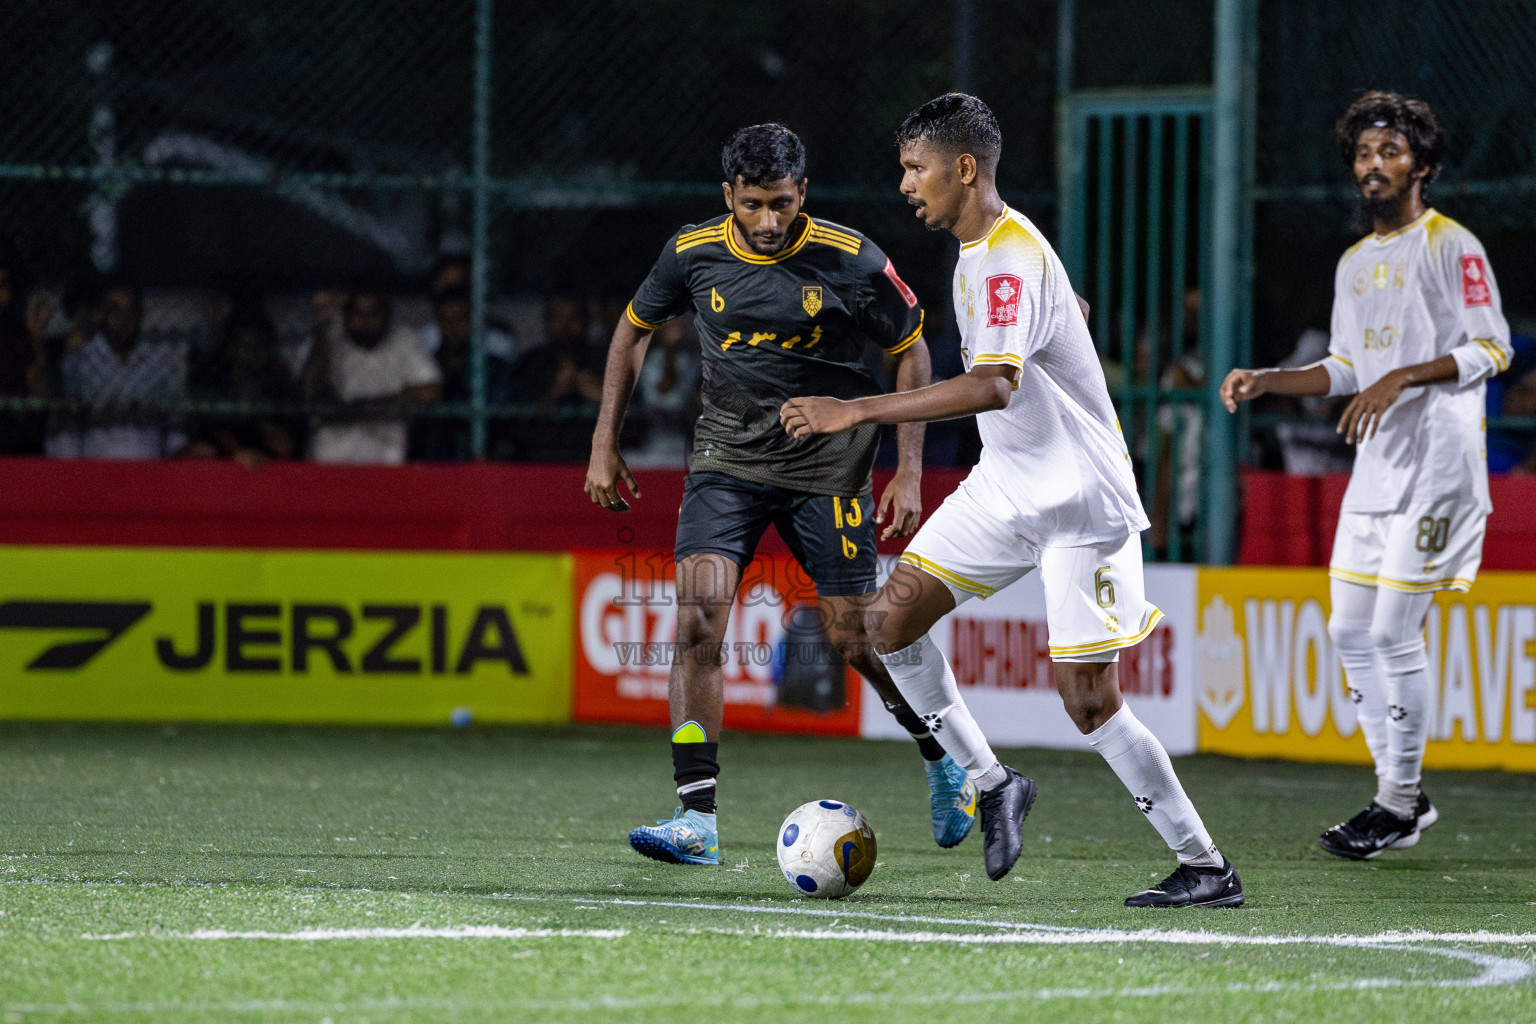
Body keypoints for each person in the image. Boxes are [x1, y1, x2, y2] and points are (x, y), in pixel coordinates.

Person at [782, 94, 1242, 907]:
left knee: (1089, 700)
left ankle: (1204, 864)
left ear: (965, 169)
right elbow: (1045, 325)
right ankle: (993, 782)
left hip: (1079, 500)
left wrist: (855, 411)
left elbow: (994, 383)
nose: (904, 185)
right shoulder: (986, 249)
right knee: (888, 622)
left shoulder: (1004, 256)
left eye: (916, 168)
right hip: (1007, 485)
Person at [585, 123, 975, 867]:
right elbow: (631, 332)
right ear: (728, 195)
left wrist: (909, 468)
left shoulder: (851, 258)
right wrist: (606, 441)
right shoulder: (693, 252)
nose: (769, 223)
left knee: (853, 637)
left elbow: (912, 349)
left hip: (828, 469)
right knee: (698, 620)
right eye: (756, 204)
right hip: (726, 461)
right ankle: (696, 818)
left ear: (805, 195)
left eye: (784, 205)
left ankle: (942, 756)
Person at [1221, 92, 1512, 859]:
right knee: (1349, 628)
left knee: (1391, 629)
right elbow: (1347, 367)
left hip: (1441, 468)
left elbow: (1494, 349)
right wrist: (1269, 380)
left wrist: (1403, 379)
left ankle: (1396, 798)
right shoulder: (1355, 262)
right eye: (1363, 154)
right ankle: (1401, 801)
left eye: (1390, 152)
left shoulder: (1453, 246)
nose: (1373, 166)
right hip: (1378, 470)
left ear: (1423, 164)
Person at [50, 281, 190, 459]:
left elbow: (175, 425)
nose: (123, 318)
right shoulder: (79, 361)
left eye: (130, 310)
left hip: (148, 466)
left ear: (140, 315)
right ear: (100, 313)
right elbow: (64, 426)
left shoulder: (160, 360)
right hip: (96, 466)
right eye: (113, 309)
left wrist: (181, 451)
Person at [304, 289, 442, 465]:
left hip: (384, 463)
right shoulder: (330, 338)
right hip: (330, 462)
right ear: (345, 313)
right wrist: (324, 332)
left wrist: (367, 408)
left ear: (387, 313)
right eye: (357, 313)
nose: (365, 321)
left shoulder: (403, 339)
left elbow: (430, 390)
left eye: (373, 313)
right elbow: (307, 390)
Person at [410, 285, 515, 461]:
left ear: (474, 321)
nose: (453, 328)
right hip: (433, 467)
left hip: (482, 464)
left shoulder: (496, 368)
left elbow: (501, 417)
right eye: (446, 320)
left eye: (461, 319)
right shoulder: (423, 367)